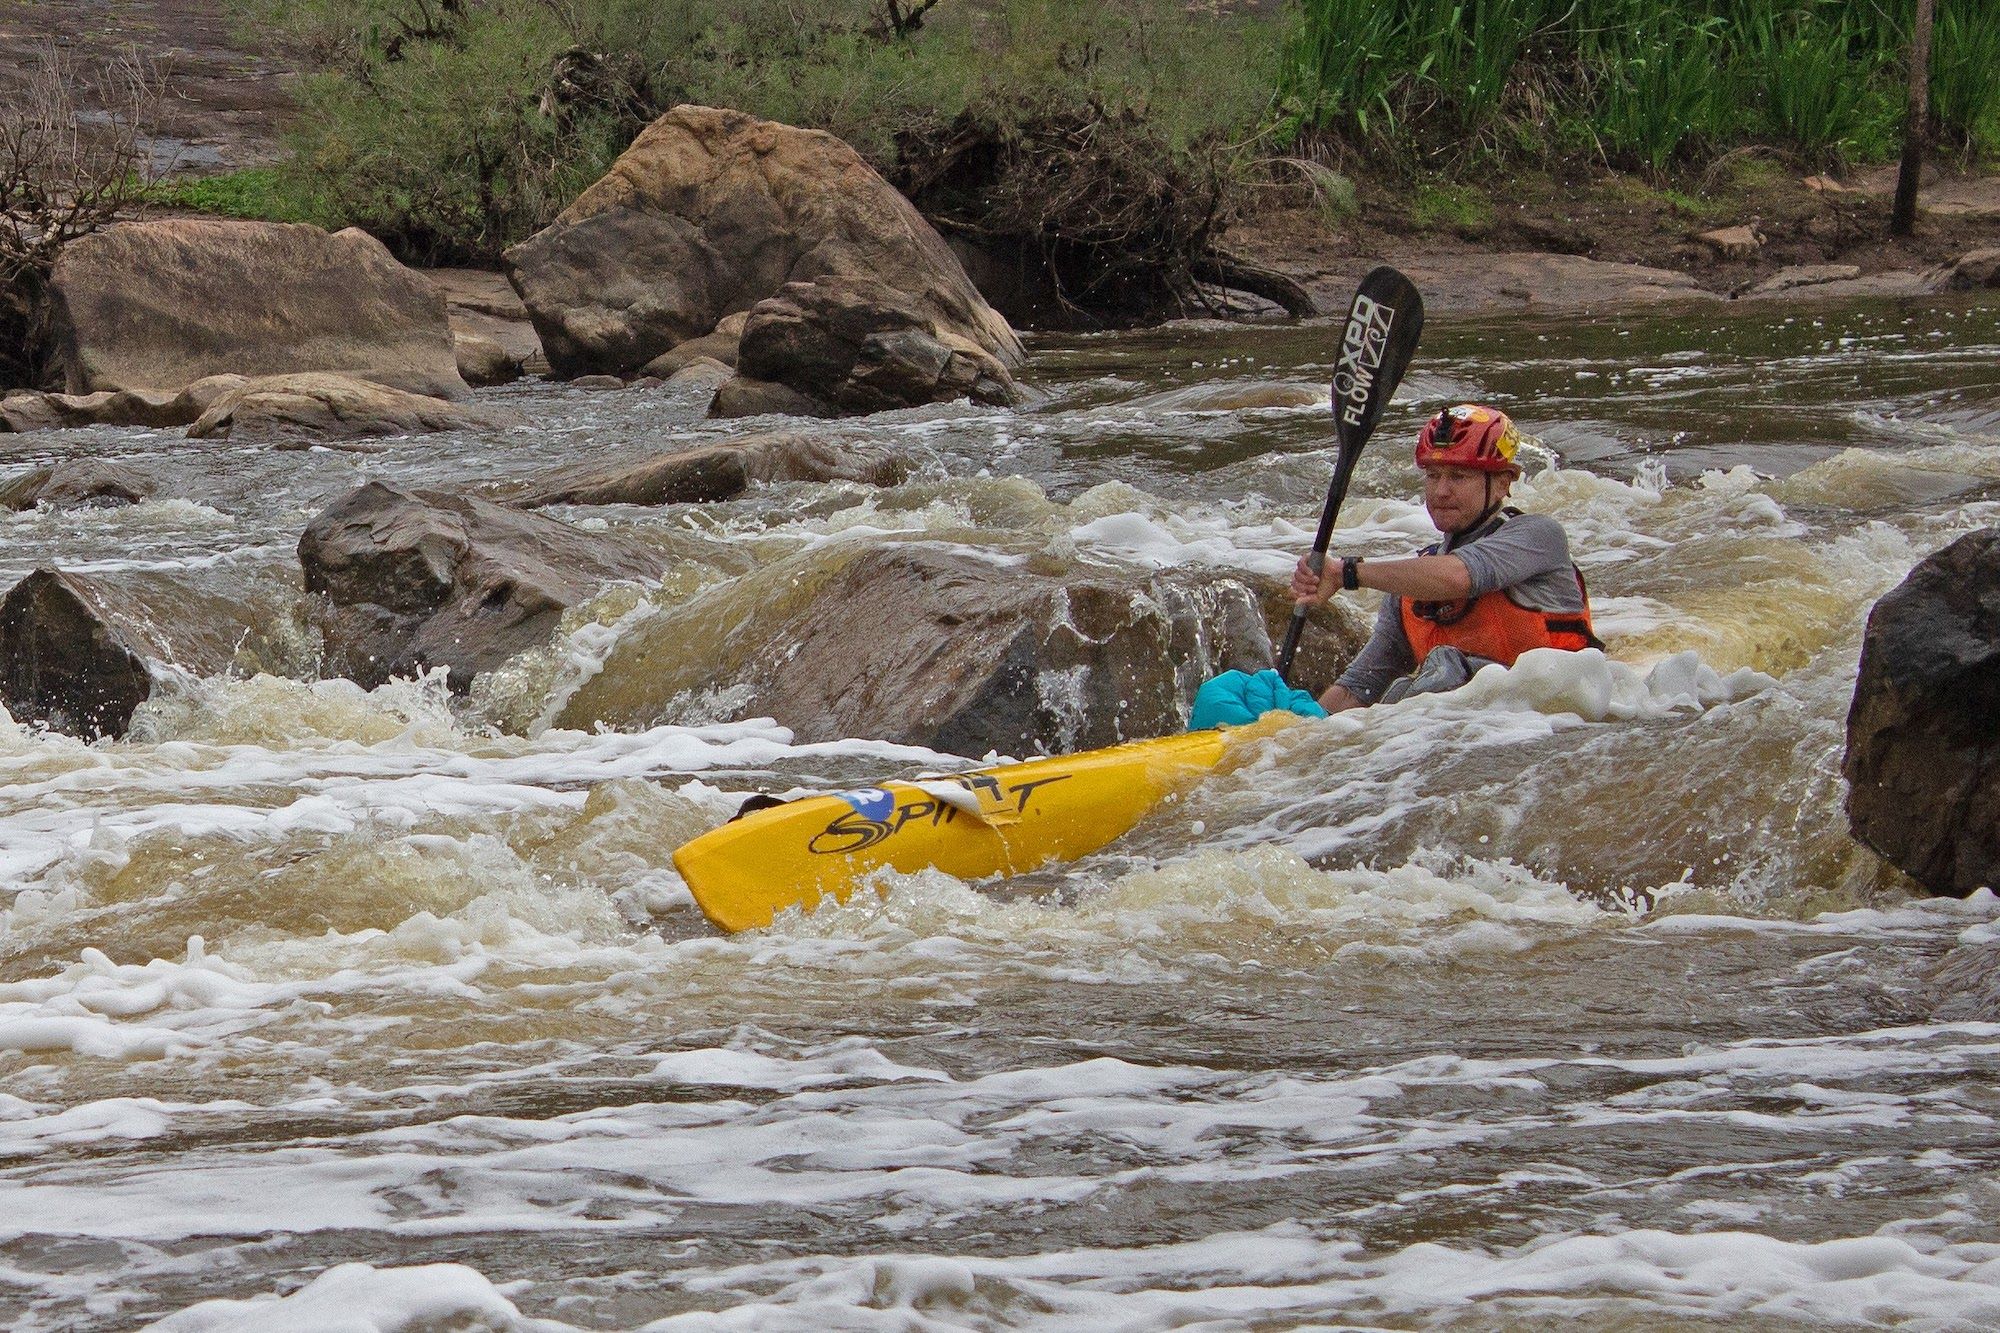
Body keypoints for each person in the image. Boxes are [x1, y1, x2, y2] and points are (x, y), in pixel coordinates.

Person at [1288, 402, 1600, 711]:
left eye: (1458, 477)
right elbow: (1357, 689)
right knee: (1398, 690)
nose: (1441, 491)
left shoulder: (1539, 536)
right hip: (1464, 738)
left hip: (1553, 726)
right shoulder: (1412, 584)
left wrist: (1345, 573)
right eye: (1434, 476)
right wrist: (1292, 732)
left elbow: (1459, 577)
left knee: (1446, 665)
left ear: (1503, 482)